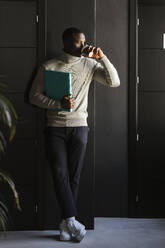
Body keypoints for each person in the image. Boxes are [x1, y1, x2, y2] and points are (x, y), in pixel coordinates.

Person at [29, 27, 120, 242]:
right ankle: (71, 220)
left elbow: (114, 82)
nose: (83, 45)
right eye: (79, 42)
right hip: (55, 128)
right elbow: (34, 96)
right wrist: (57, 103)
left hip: (80, 127)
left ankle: (64, 223)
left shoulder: (89, 65)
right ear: (67, 43)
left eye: (83, 41)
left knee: (74, 176)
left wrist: (102, 57)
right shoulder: (49, 65)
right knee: (60, 174)